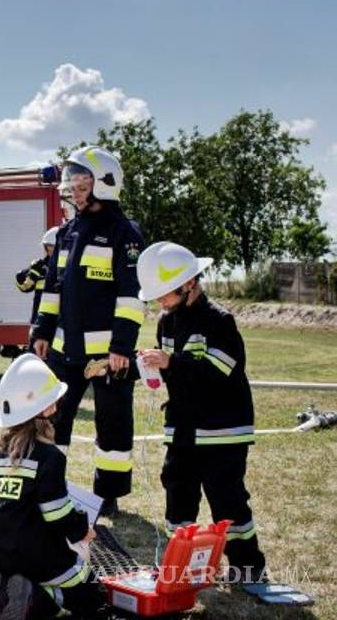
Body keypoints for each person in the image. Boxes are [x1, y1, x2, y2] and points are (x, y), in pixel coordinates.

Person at [136, 242, 266, 584]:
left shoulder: (219, 321)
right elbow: (173, 374)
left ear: (189, 283)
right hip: (183, 428)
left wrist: (171, 363)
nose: (159, 301)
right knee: (178, 493)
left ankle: (248, 569)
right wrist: (151, 366)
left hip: (222, 428)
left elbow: (218, 375)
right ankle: (181, 567)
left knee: (228, 500)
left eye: (165, 293)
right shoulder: (166, 323)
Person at [31, 146, 146, 515]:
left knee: (112, 424)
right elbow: (52, 289)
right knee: (53, 419)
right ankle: (51, 484)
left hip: (108, 356)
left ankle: (108, 495)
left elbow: (132, 297)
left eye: (81, 185)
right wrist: (42, 332)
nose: (74, 193)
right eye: (72, 185)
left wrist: (121, 347)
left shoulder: (124, 234)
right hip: (65, 351)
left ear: (105, 185)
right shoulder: (67, 232)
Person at [0, 354, 106, 619]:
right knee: (92, 592)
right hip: (39, 559)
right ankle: (34, 599)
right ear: (46, 410)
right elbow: (57, 515)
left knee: (21, 573)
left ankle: (4, 592)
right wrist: (83, 530)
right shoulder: (49, 457)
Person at [16, 226, 59, 344]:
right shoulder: (40, 267)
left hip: (59, 324)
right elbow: (24, 287)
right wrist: (29, 274)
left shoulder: (66, 268)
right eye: (48, 246)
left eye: (52, 246)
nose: (50, 250)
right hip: (39, 321)